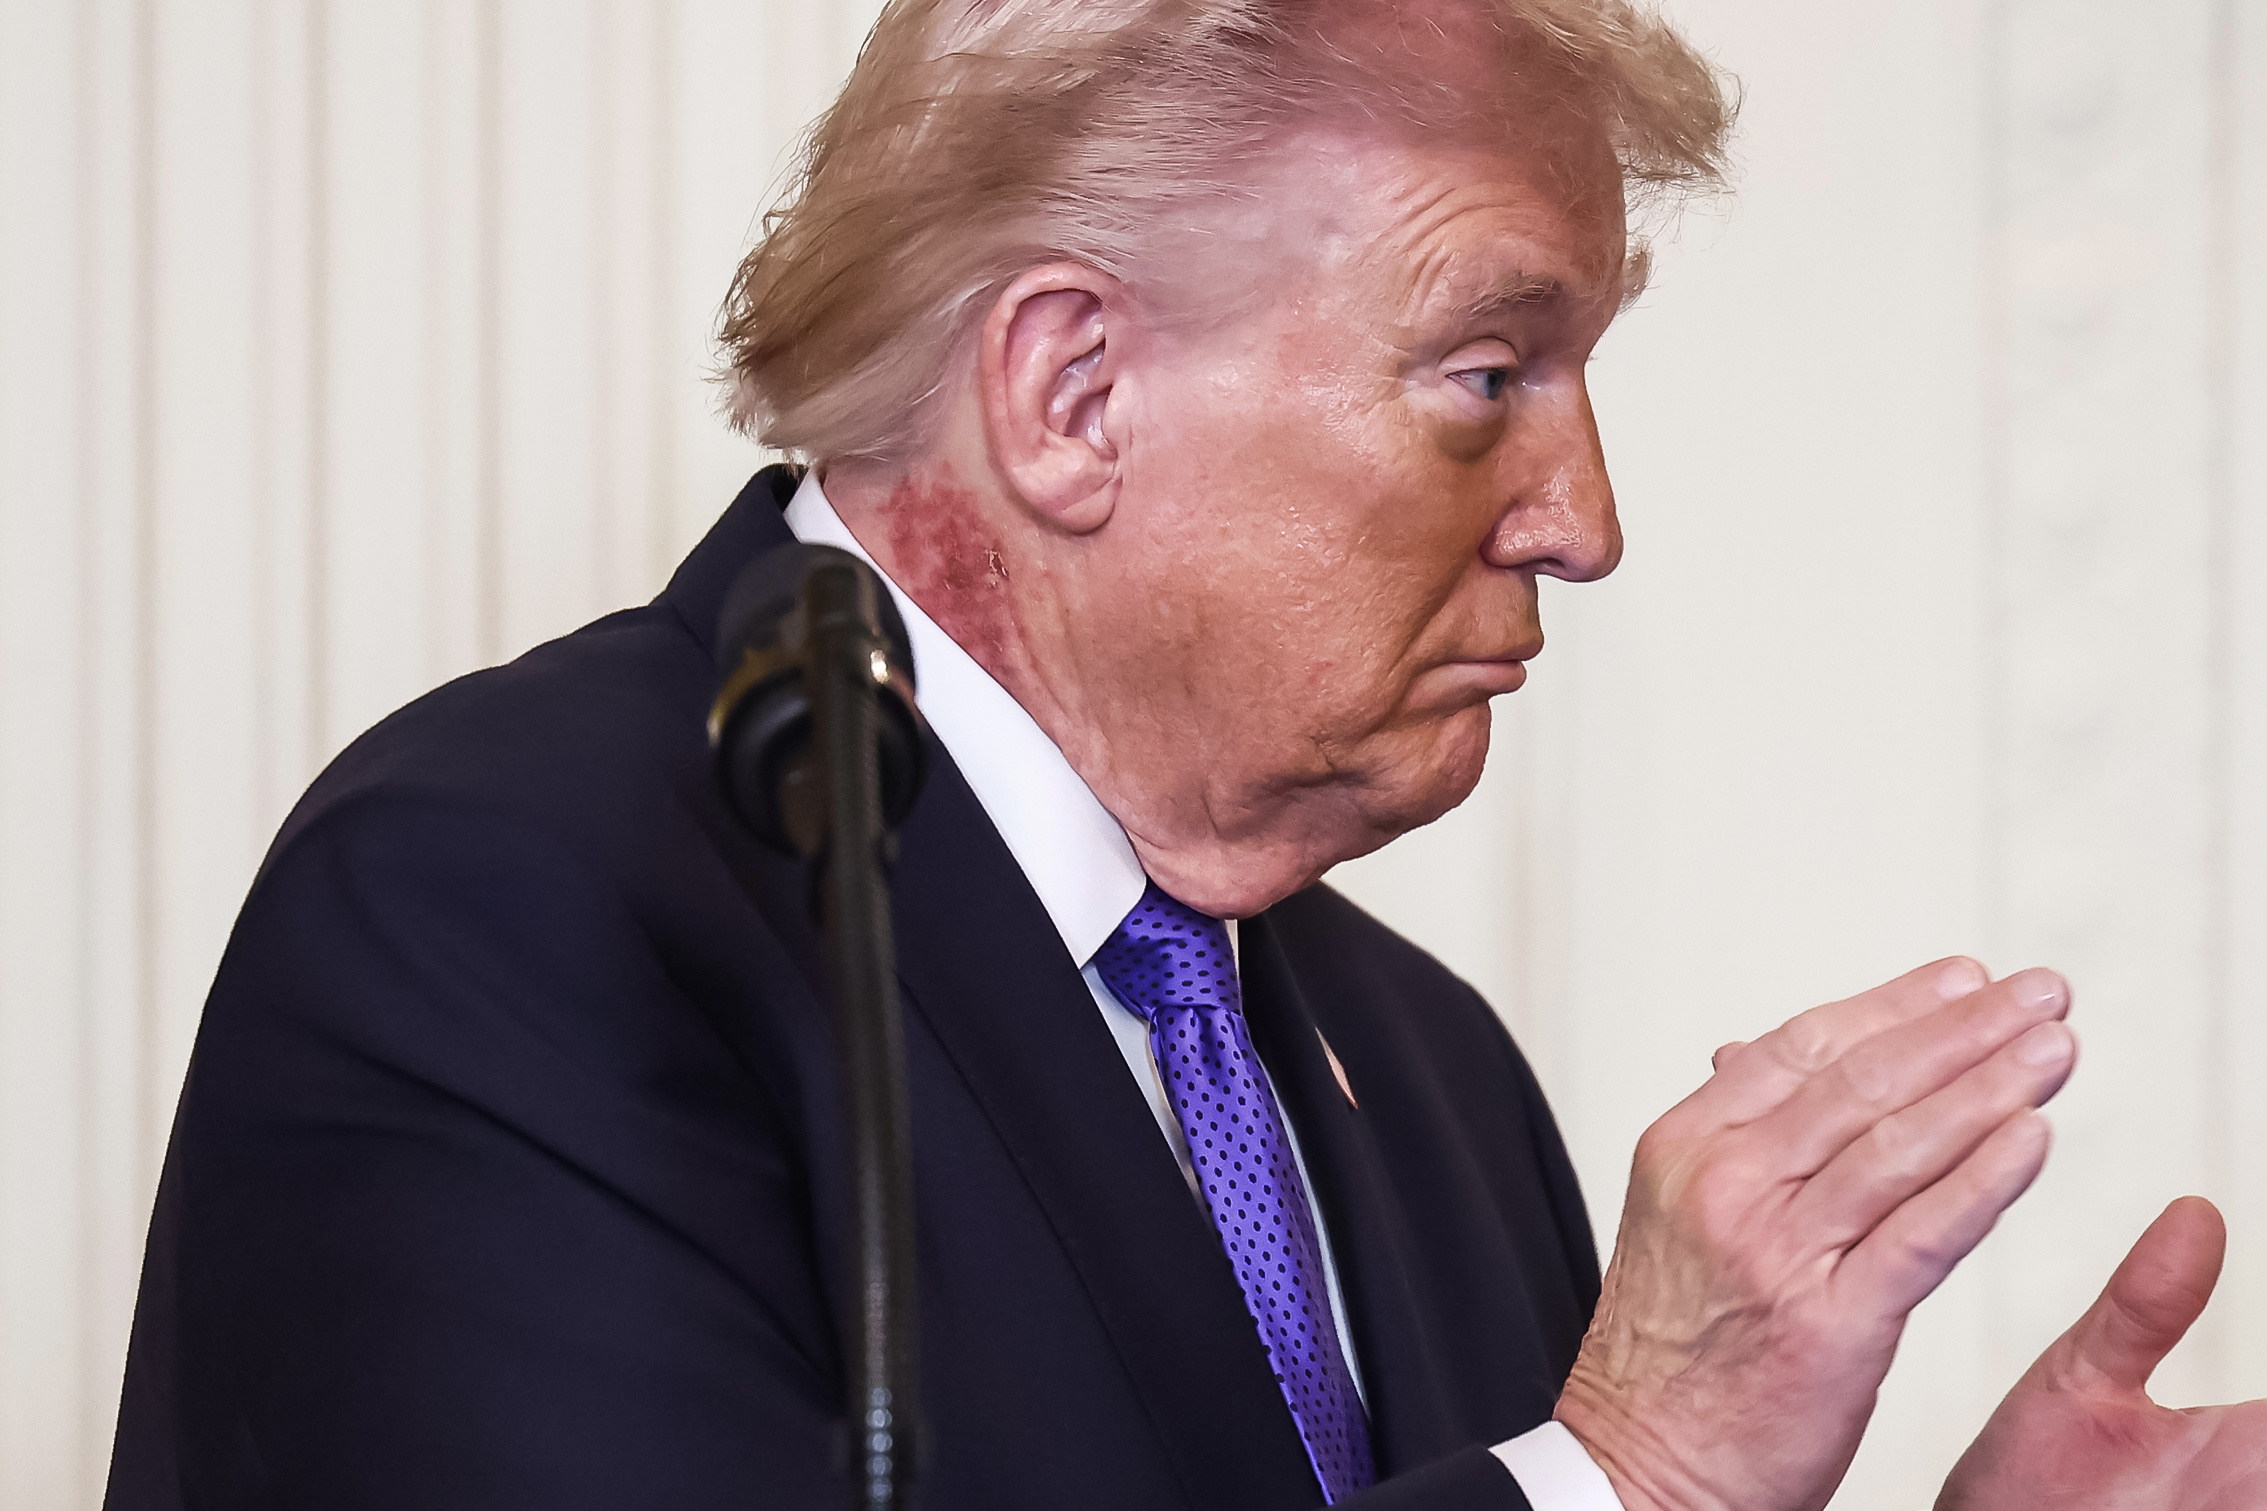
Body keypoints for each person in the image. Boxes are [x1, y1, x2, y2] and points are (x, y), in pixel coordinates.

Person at [102, 2, 2266, 1508]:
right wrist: (1636, 1475)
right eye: (1489, 373)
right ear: (1070, 392)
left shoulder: (1418, 1067)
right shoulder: (513, 909)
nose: (1584, 523)